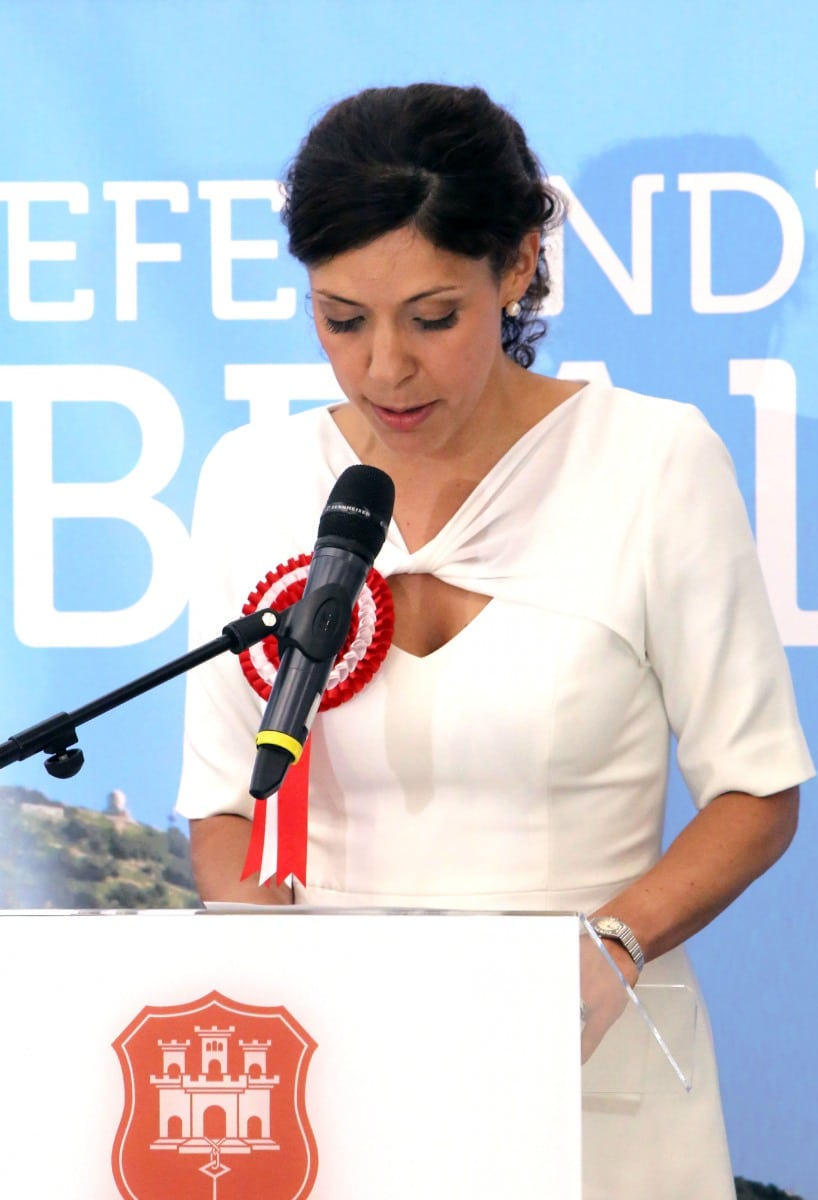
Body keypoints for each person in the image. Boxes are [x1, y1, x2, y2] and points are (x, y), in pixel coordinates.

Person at [176, 83, 813, 1198]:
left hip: (590, 1068)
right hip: (336, 1081)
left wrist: (614, 946)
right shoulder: (252, 480)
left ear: (518, 266)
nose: (384, 369)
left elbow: (756, 792)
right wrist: (274, 975)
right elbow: (228, 807)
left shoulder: (652, 462)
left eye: (431, 318)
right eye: (342, 320)